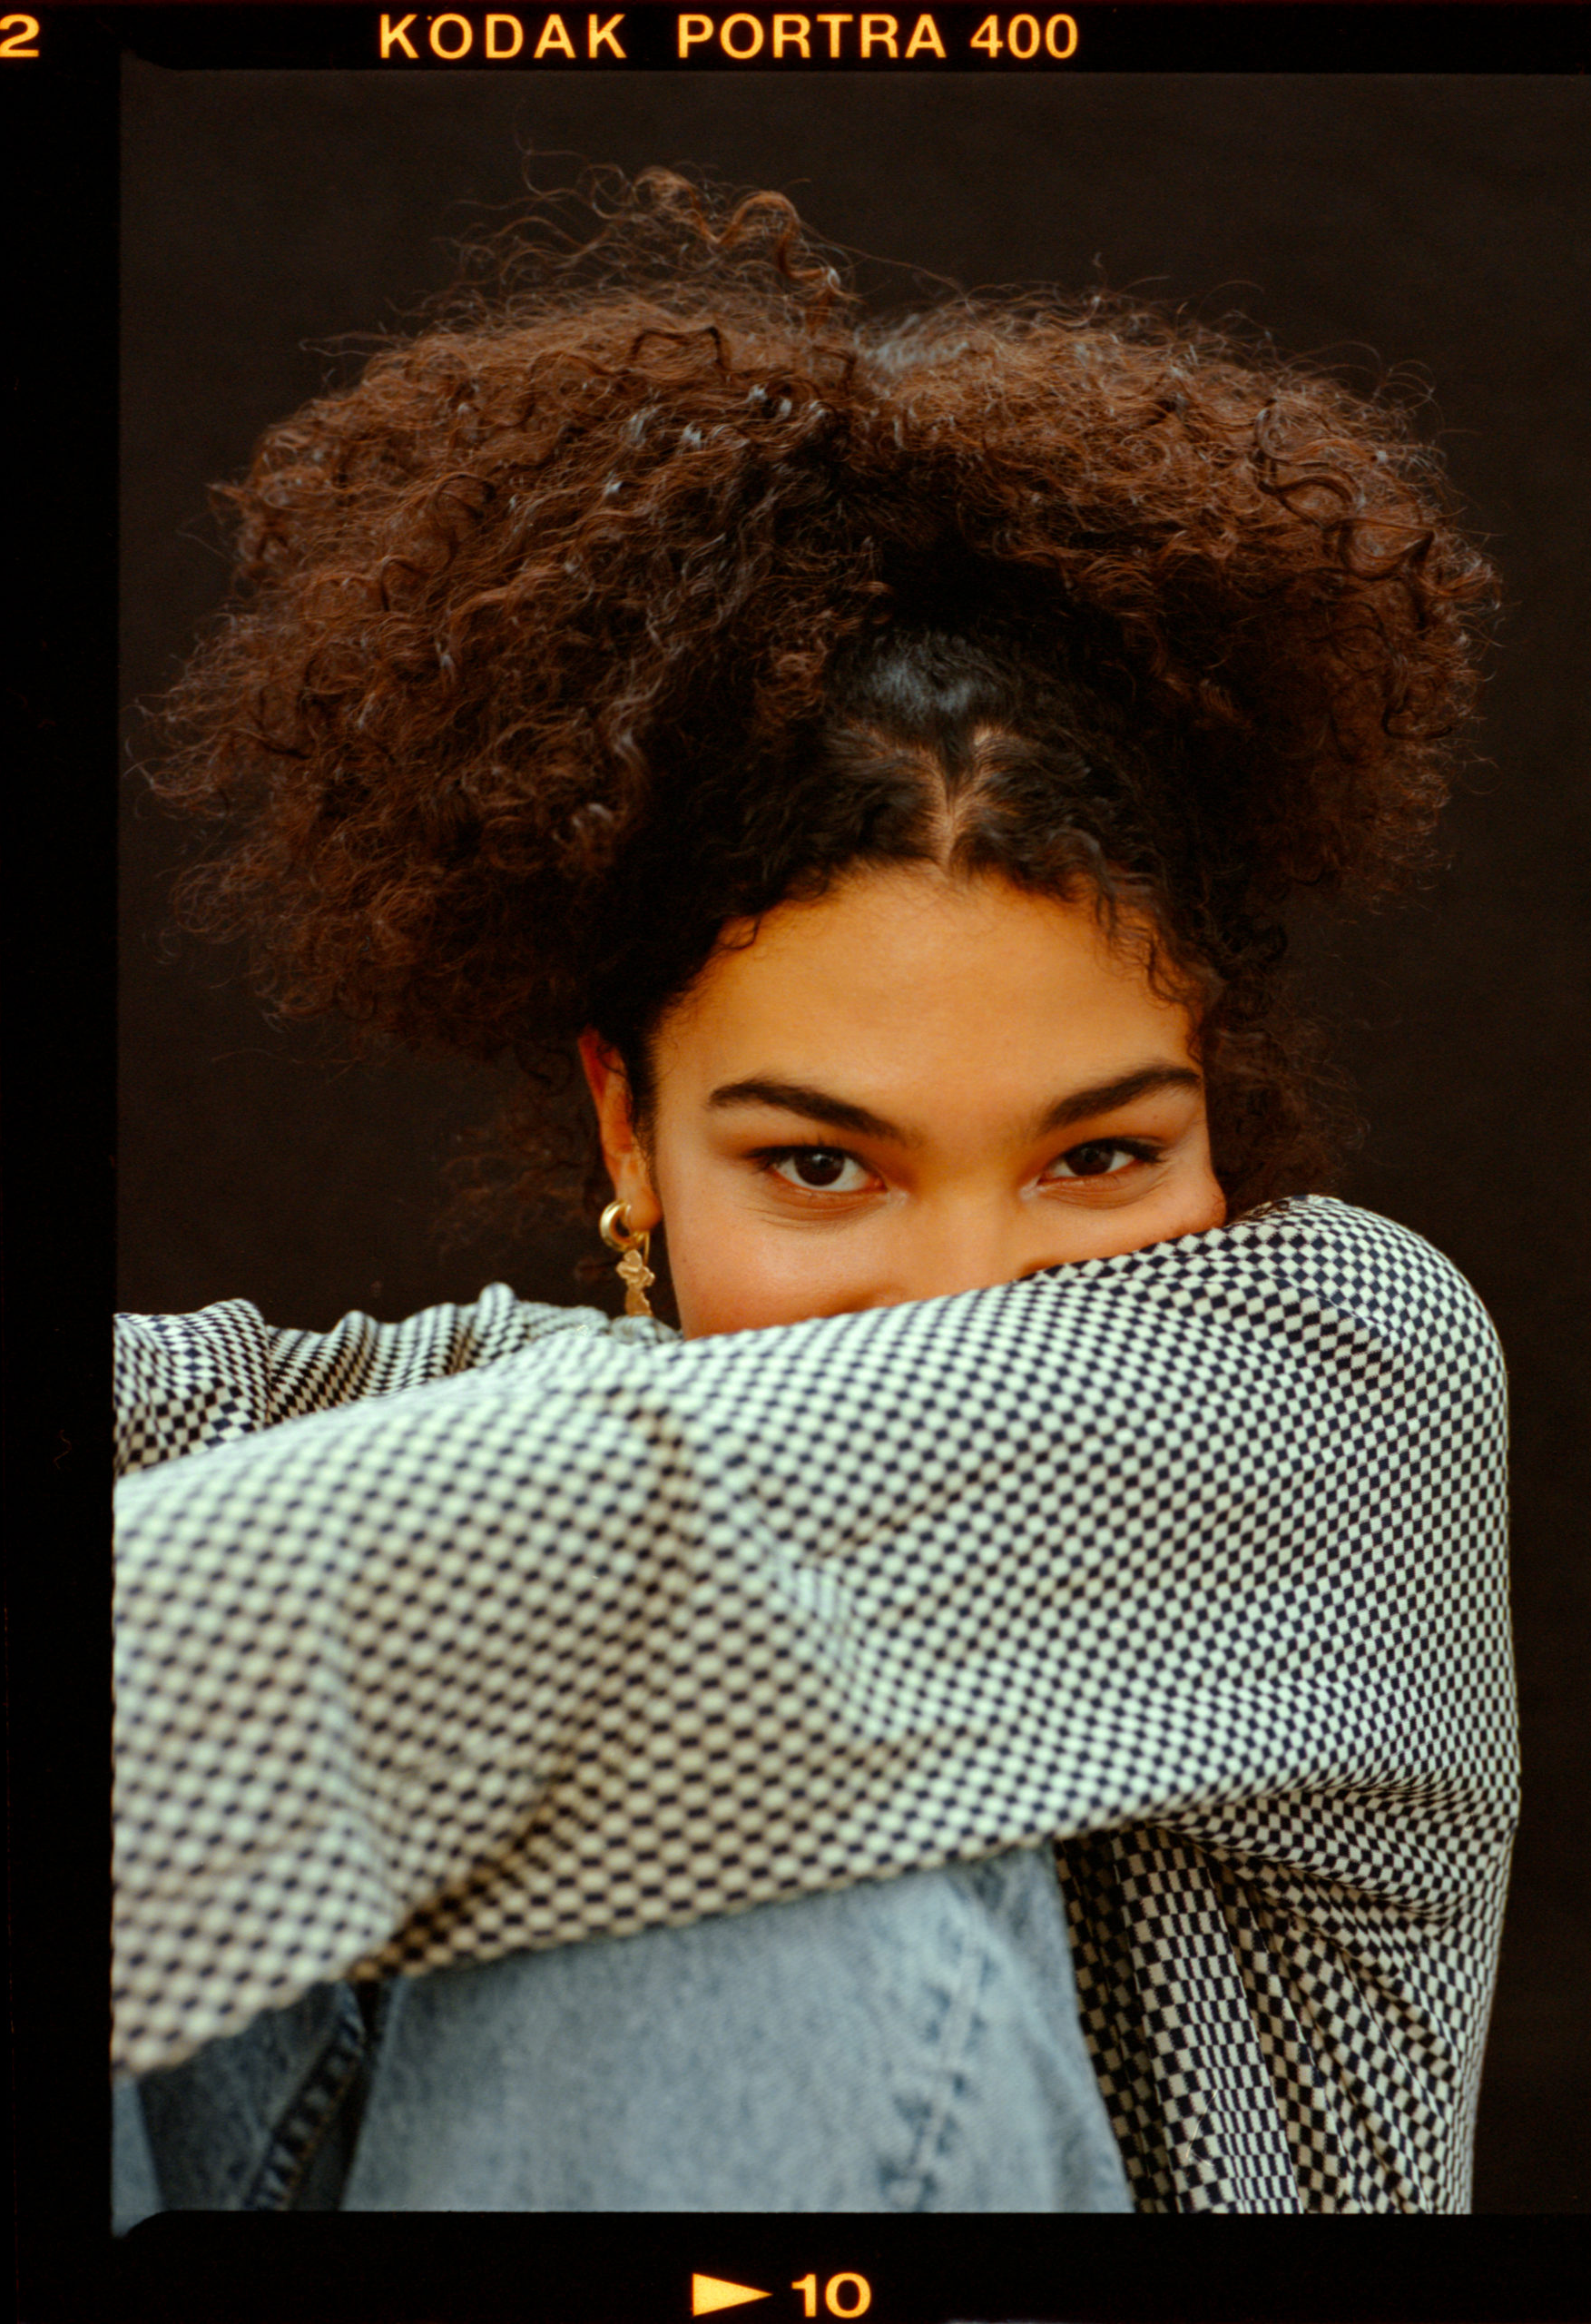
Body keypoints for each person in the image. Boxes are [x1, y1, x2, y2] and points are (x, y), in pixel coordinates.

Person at [112, 169, 1514, 2216]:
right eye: (822, 1165)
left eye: (1100, 1154)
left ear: (1220, 1104)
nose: (970, 1296)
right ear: (627, 1132)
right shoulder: (494, 1419)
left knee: (757, 1810)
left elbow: (606, 1540)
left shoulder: (1344, 1379)